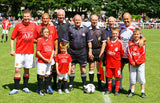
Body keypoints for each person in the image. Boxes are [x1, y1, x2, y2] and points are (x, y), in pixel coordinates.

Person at [62, 14, 93, 92]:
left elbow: (89, 42)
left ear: (81, 20)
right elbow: (65, 42)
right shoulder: (70, 29)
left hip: (82, 52)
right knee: (72, 69)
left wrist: (90, 51)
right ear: (73, 21)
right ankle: (71, 84)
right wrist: (64, 51)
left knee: (83, 69)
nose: (77, 21)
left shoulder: (86, 29)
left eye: (79, 20)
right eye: (76, 20)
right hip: (72, 52)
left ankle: (84, 85)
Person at [9, 10, 37, 95]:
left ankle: (25, 87)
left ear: (30, 17)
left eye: (28, 16)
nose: (26, 18)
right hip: (19, 52)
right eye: (25, 16)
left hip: (29, 52)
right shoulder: (18, 26)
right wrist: (12, 50)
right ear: (22, 17)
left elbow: (40, 34)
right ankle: (16, 88)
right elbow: (12, 38)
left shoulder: (34, 26)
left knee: (26, 70)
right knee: (17, 70)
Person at [119, 12, 146, 93]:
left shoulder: (135, 27)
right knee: (119, 71)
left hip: (131, 55)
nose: (126, 20)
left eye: (127, 18)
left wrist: (142, 40)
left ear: (130, 18)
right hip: (122, 54)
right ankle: (119, 86)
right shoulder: (120, 27)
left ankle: (131, 89)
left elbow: (143, 37)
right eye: (124, 19)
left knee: (131, 72)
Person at [35, 13, 58, 93]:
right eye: (44, 18)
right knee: (40, 71)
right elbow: (34, 39)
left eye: (47, 18)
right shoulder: (37, 27)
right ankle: (39, 87)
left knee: (49, 71)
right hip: (41, 54)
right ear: (41, 19)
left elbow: (55, 39)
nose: (45, 20)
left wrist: (55, 51)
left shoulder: (52, 27)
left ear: (49, 19)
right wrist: (39, 40)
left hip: (50, 54)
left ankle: (48, 86)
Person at [51, 9, 70, 90]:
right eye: (59, 15)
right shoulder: (53, 24)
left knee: (64, 65)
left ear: (64, 16)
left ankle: (63, 83)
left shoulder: (68, 25)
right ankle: (55, 83)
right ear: (57, 16)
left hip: (64, 49)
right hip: (55, 48)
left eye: (62, 15)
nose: (61, 17)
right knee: (55, 66)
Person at [88, 14, 106, 90]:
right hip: (91, 50)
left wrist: (101, 53)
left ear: (98, 20)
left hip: (99, 50)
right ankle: (91, 84)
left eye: (95, 20)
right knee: (91, 67)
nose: (94, 21)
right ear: (90, 20)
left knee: (99, 68)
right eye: (93, 20)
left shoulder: (101, 29)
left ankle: (99, 85)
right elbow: (87, 41)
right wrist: (90, 51)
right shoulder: (87, 29)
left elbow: (104, 42)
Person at [127, 28, 146, 98]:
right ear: (133, 35)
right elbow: (129, 53)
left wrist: (137, 62)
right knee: (132, 78)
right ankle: (132, 91)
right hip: (132, 64)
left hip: (140, 64)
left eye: (137, 34)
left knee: (141, 78)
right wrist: (132, 62)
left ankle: (142, 91)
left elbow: (143, 53)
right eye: (134, 34)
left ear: (140, 35)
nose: (136, 35)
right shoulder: (130, 43)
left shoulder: (142, 43)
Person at [104, 27, 124, 96]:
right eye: (113, 33)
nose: (114, 35)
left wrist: (116, 59)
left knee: (117, 77)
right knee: (109, 77)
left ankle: (116, 90)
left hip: (116, 64)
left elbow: (121, 53)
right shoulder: (109, 43)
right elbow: (107, 52)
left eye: (116, 33)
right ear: (111, 34)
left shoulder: (119, 43)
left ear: (118, 34)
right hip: (109, 64)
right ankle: (109, 89)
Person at [36, 27, 55, 96]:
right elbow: (38, 52)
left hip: (49, 61)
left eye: (47, 32)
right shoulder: (40, 40)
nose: (46, 33)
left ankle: (46, 89)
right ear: (41, 33)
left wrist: (50, 58)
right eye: (45, 32)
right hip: (42, 61)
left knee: (47, 75)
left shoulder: (50, 40)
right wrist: (44, 59)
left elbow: (52, 50)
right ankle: (40, 90)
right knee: (41, 75)